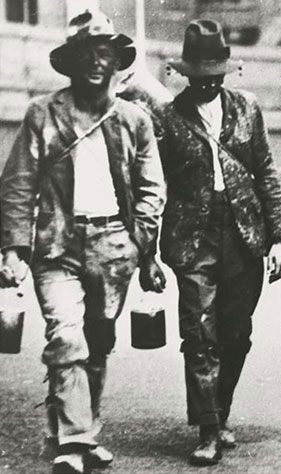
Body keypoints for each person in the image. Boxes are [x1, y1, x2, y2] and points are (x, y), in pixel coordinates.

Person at [0, 10, 166, 474]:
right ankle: (75, 442)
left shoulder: (134, 119)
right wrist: (13, 248)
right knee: (66, 335)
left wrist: (142, 245)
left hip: (115, 245)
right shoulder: (43, 114)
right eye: (87, 52)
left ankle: (78, 430)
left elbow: (152, 187)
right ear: (71, 61)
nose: (97, 61)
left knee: (97, 340)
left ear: (116, 60)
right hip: (57, 245)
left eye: (106, 53)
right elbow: (17, 184)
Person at [141, 20, 281, 466]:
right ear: (186, 73)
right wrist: (147, 249)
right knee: (199, 333)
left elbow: (266, 171)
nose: (209, 82)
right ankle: (207, 428)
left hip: (245, 234)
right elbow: (153, 183)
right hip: (192, 238)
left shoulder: (248, 108)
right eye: (201, 73)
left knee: (236, 333)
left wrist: (279, 237)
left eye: (216, 73)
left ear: (226, 72)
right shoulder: (166, 118)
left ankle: (220, 411)